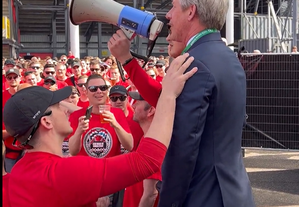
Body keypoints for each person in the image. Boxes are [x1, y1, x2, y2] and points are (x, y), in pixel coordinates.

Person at [108, 0, 255, 206]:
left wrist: (169, 201)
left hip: (203, 197)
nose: (167, 15)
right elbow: (165, 101)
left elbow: (182, 149)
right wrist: (128, 61)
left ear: (191, 11)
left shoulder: (193, 63)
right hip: (231, 192)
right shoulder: (225, 56)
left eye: (173, 7)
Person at [2, 53, 197, 207]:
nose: (64, 108)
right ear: (47, 122)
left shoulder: (13, 177)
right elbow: (146, 161)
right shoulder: (64, 172)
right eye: (57, 106)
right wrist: (168, 95)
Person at [122, 91, 160, 207]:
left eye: (138, 102)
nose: (133, 105)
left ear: (150, 111)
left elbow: (151, 194)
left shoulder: (154, 143)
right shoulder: (147, 137)